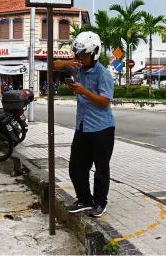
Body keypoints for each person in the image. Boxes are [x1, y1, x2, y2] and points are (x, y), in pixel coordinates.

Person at [53, 32, 115, 218]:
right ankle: (84, 200)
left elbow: (105, 102)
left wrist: (83, 91)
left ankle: (100, 202)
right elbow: (54, 65)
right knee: (76, 166)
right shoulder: (77, 68)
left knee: (101, 168)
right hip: (82, 126)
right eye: (78, 54)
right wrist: (68, 63)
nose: (80, 58)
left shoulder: (103, 74)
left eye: (83, 55)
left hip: (102, 128)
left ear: (95, 53)